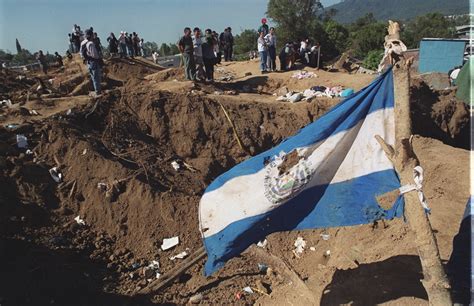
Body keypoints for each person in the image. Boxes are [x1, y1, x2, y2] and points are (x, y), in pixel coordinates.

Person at [80, 29, 103, 96]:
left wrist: (85, 58)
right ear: (91, 35)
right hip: (94, 62)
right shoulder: (91, 43)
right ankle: (98, 92)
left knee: (93, 77)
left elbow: (81, 53)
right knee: (97, 77)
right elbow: (95, 55)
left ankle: (97, 90)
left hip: (88, 62)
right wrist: (99, 59)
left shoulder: (83, 43)